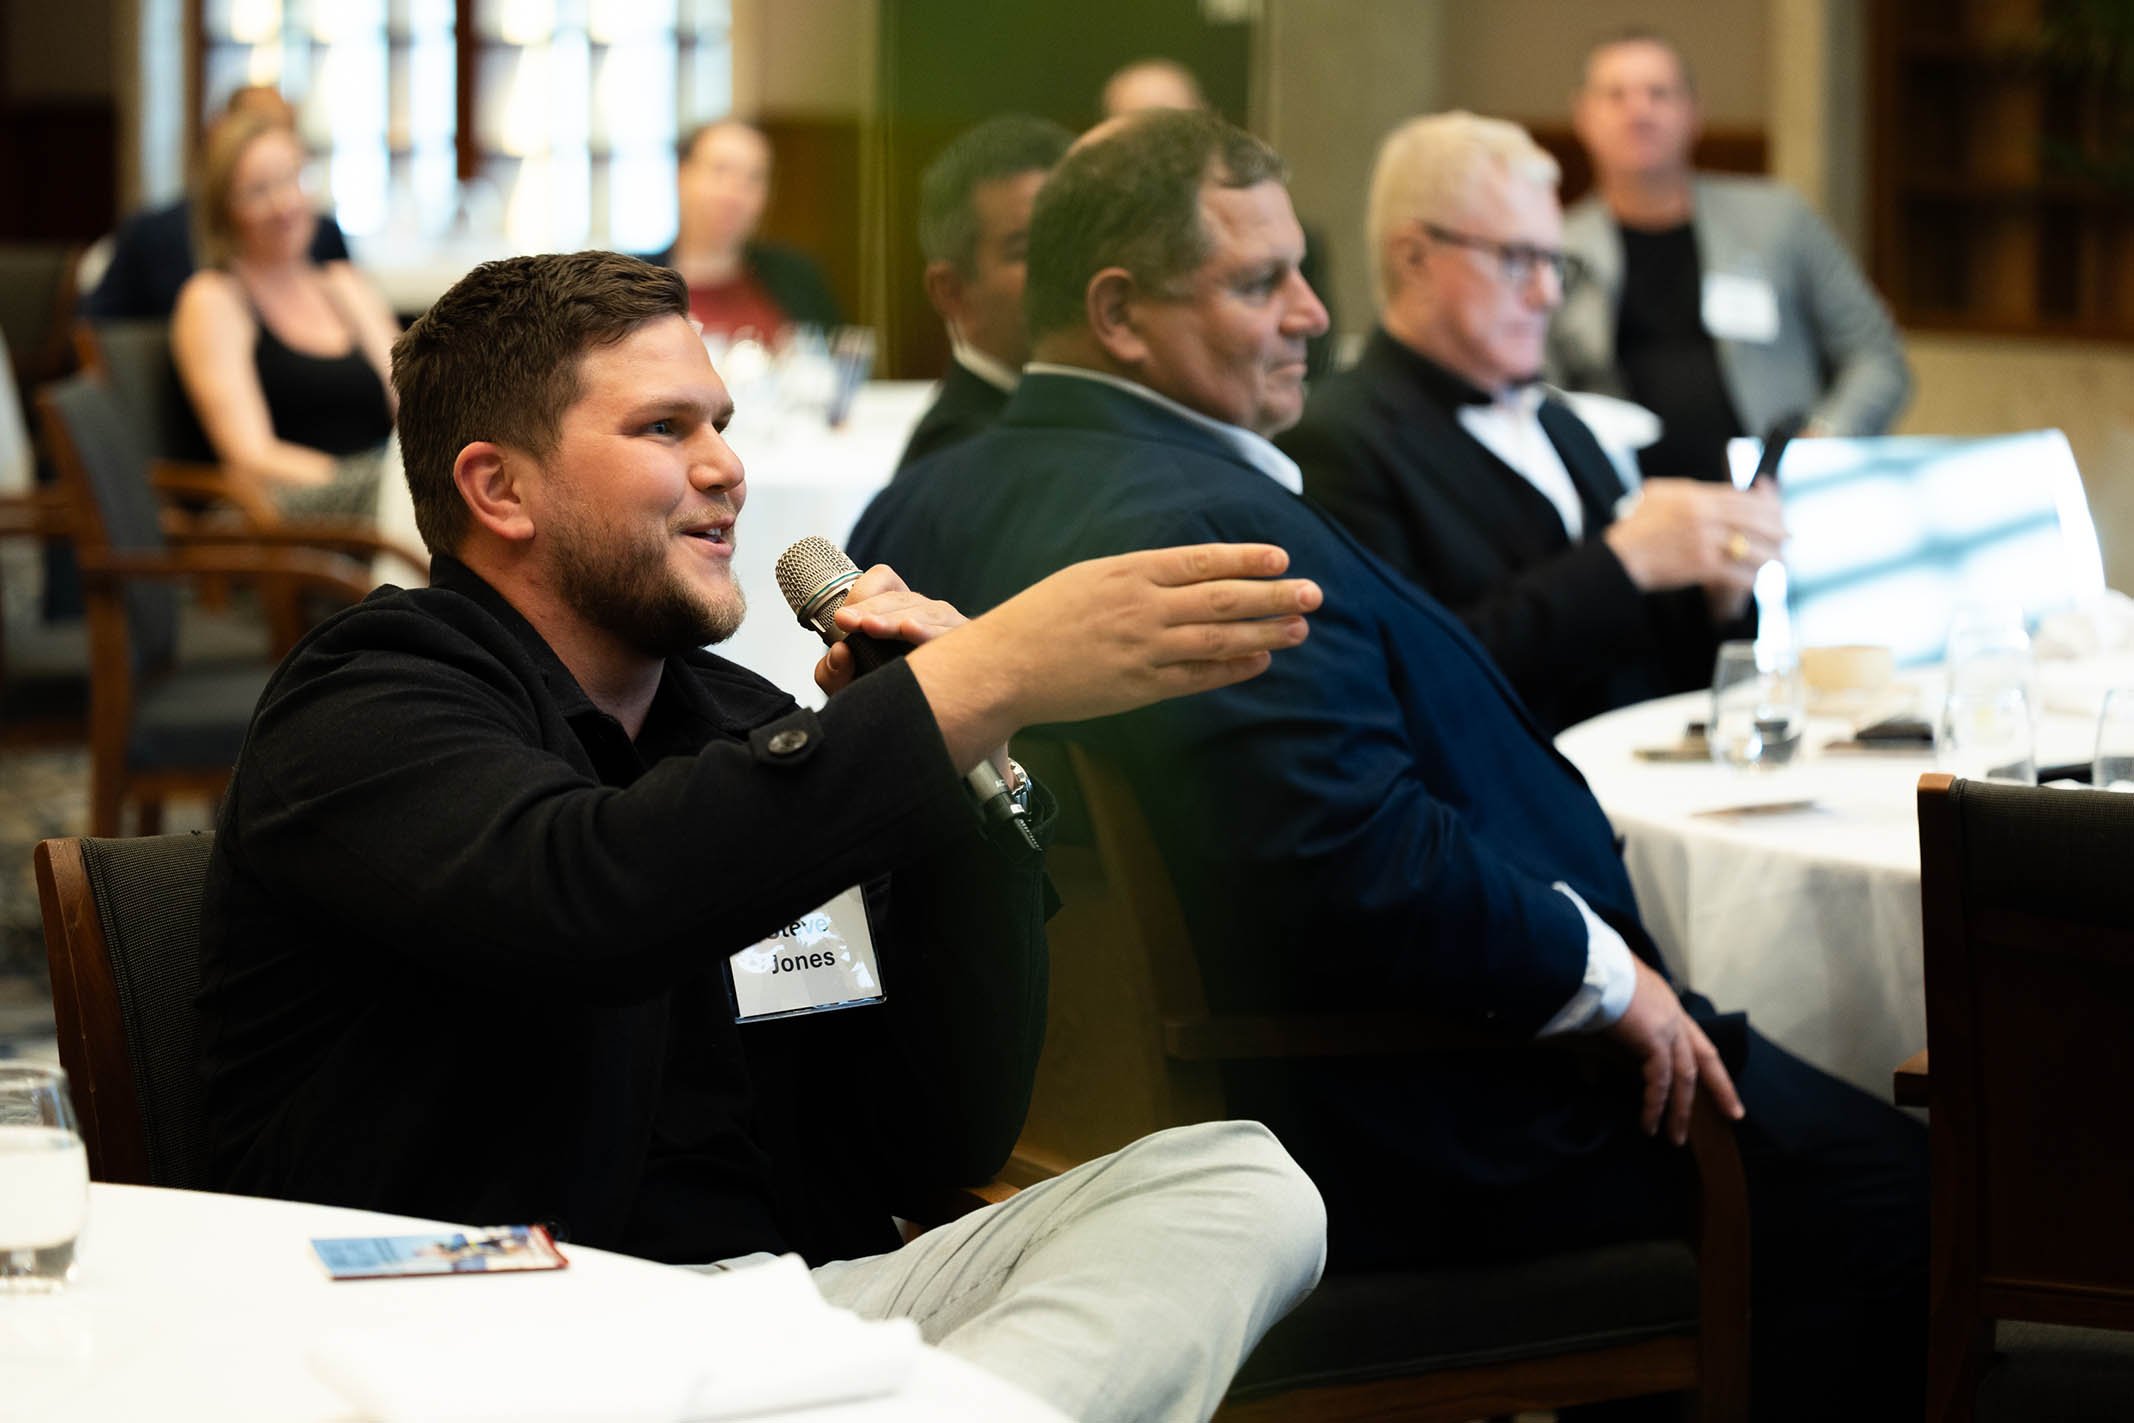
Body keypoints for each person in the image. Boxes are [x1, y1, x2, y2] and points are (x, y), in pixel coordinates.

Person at [850, 109, 1927, 1420]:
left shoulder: (921, 502)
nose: (1312, 314)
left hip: (1093, 1111)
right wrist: (1601, 975)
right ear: (1118, 312)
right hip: (1390, 1115)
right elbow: (1341, 854)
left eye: (1305, 270)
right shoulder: (1198, 524)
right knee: (1895, 1183)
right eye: (1259, 282)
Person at [197, 249, 1329, 1423]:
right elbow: (591, 891)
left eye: (724, 424)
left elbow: (929, 1137)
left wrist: (969, 778)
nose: (728, 467)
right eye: (663, 427)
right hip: (489, 1334)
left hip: (784, 1320)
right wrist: (965, 686)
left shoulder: (740, 723)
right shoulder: (370, 697)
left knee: (1240, 1181)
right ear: (499, 489)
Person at [1281, 112, 1784, 733]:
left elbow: (1650, 665)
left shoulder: (1561, 424)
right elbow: (1408, 677)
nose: (1547, 293)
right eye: (1518, 258)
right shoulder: (1337, 439)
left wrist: (1717, 584)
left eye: (1555, 261)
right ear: (1413, 258)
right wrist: (1622, 560)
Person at [1549, 30, 1911, 483]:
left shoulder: (1778, 219)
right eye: (1615, 95)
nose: (1638, 112)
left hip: (1772, 493)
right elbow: (1534, 390)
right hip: (1626, 508)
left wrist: (1823, 441)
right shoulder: (1553, 247)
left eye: (1658, 94)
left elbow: (1876, 356)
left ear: (1694, 113)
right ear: (1583, 116)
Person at [170, 107, 399, 517]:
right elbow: (251, 456)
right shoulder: (213, 299)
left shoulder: (344, 285)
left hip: (375, 498)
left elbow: (414, 405)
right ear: (224, 210)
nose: (284, 204)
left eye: (294, 179)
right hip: (275, 515)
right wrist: (376, 484)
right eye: (257, 191)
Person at [1100, 57, 1336, 380]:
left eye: (1177, 127)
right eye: (1140, 130)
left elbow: (1315, 367)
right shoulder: (1091, 243)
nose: (1311, 315)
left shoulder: (1289, 239)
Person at [81, 84, 352, 322]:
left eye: (280, 131)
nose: (283, 207)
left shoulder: (326, 241)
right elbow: (98, 330)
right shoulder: (155, 237)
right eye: (251, 131)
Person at [897, 114, 1073, 472]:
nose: (1070, 266)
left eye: (1075, 238)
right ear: (952, 292)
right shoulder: (956, 462)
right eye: (1027, 250)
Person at [648, 119, 843, 341]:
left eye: (754, 178)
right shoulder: (632, 283)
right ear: (682, 176)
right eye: (720, 171)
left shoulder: (799, 280)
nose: (734, 195)